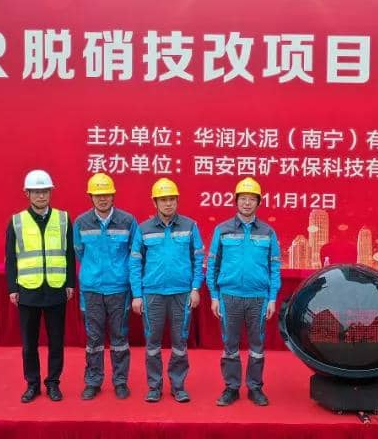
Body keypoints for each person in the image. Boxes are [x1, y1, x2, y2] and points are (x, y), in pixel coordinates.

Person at [206, 177, 282, 407]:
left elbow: (274, 267)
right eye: (243, 199)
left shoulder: (268, 232)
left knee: (257, 346)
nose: (247, 203)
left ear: (258, 202)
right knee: (230, 344)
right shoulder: (222, 230)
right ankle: (231, 387)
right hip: (229, 296)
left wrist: (272, 298)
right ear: (236, 201)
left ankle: (255, 387)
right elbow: (213, 265)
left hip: (258, 298)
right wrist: (214, 296)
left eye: (251, 199)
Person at [129, 178, 204, 404]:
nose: (168, 203)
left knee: (180, 343)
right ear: (155, 202)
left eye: (172, 199)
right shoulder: (143, 229)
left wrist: (195, 288)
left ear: (177, 201)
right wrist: (137, 295)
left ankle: (178, 386)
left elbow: (198, 259)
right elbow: (135, 263)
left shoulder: (190, 226)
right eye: (163, 200)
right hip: (152, 294)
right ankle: (154, 387)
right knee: (152, 344)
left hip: (182, 293)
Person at [5, 169, 75, 403]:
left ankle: (53, 383)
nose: (41, 196)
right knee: (29, 344)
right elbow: (11, 257)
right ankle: (32, 384)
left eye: (45, 191)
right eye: (36, 192)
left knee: (56, 342)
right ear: (27, 194)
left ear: (50, 192)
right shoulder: (16, 221)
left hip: (56, 288)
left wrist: (70, 283)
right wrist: (12, 288)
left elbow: (69, 253)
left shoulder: (63, 219)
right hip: (28, 289)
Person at [74, 173, 138, 401]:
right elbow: (79, 252)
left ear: (113, 195)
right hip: (91, 290)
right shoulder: (81, 223)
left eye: (107, 194)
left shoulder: (128, 221)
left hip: (119, 289)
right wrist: (93, 273)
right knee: (93, 339)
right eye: (97, 195)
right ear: (90, 197)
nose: (102, 199)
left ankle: (120, 381)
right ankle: (93, 381)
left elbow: (134, 254)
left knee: (119, 338)